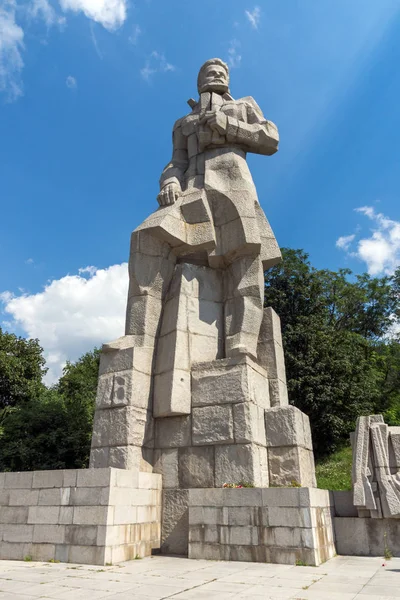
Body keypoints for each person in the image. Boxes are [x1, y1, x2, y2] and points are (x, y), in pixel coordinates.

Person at [125, 58, 281, 360]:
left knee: (244, 259)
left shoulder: (245, 105)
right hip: (191, 189)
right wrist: (168, 182)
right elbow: (176, 162)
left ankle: (242, 339)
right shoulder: (183, 123)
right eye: (210, 70)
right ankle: (139, 337)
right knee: (147, 237)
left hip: (232, 183)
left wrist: (230, 126)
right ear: (199, 81)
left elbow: (270, 138)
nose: (218, 72)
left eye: (223, 70)